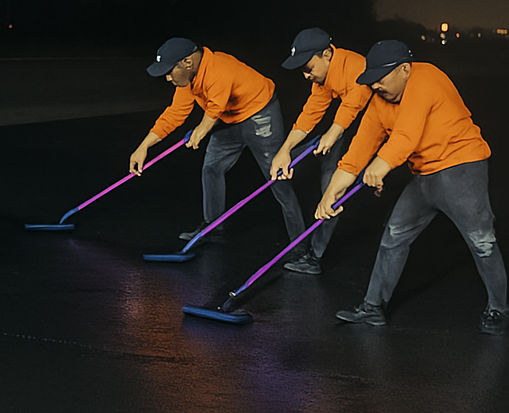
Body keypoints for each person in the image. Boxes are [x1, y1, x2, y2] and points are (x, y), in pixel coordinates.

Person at [315, 39, 508, 333]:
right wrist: (330, 194)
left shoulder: (425, 77)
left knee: (481, 242)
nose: (376, 86)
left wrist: (380, 166)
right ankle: (373, 307)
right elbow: (357, 153)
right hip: (424, 174)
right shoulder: (380, 100)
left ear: (404, 69)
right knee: (394, 236)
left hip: (462, 168)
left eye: (381, 78)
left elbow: (405, 136)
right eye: (372, 80)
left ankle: (500, 310)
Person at [129, 36, 305, 242]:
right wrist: (144, 147)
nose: (168, 78)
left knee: (277, 177)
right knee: (211, 168)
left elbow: (215, 106)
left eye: (169, 72)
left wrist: (201, 130)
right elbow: (175, 113)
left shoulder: (219, 69)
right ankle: (213, 227)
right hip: (228, 119)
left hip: (260, 114)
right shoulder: (188, 77)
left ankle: (300, 243)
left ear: (187, 62)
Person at [269, 28, 372, 274]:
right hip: (346, 124)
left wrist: (333, 134)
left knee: (332, 189)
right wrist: (285, 150)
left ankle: (314, 256)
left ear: (327, 54)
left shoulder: (356, 66)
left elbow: (351, 107)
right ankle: (309, 251)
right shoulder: (323, 75)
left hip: (372, 125)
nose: (305, 75)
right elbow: (311, 112)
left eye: (308, 67)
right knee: (308, 168)